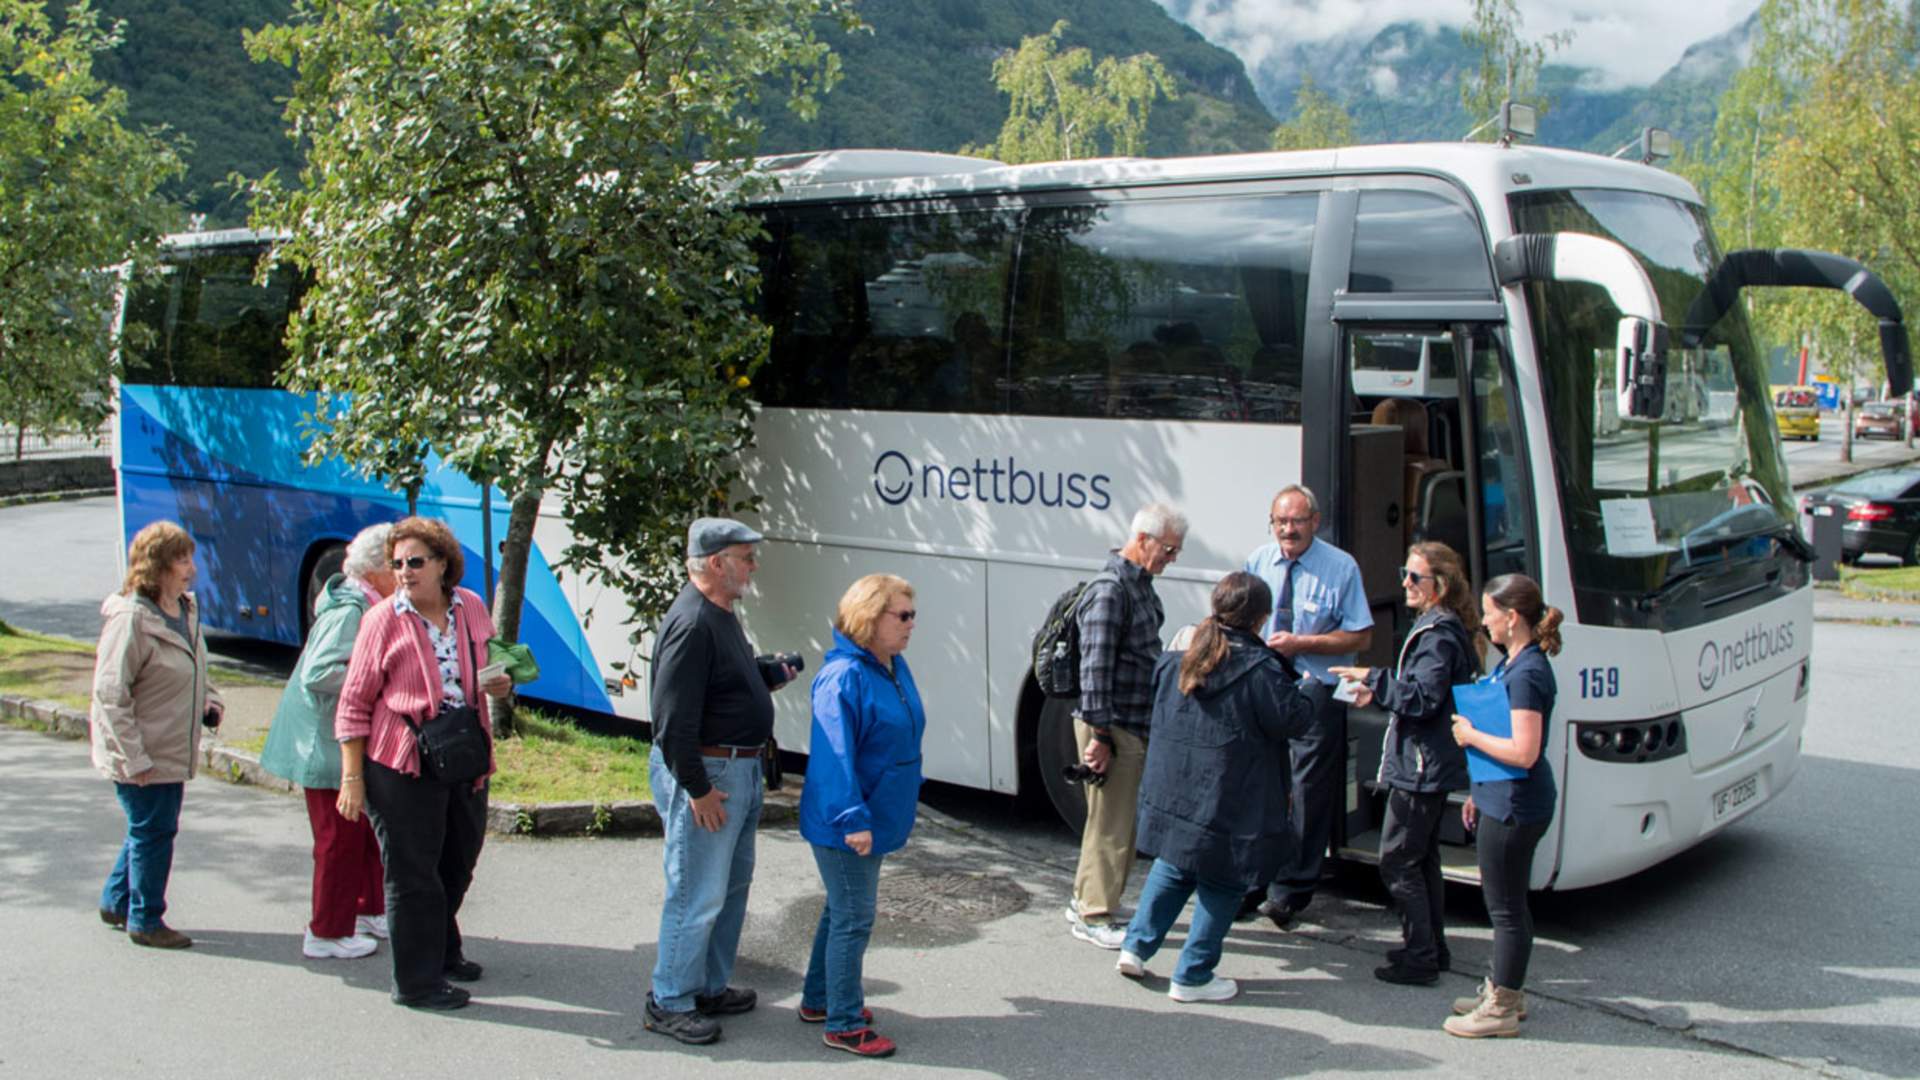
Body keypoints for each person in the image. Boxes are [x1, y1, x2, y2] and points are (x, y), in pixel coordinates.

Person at [1115, 572, 1322, 1003]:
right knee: (1225, 878)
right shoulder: (1263, 670)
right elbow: (1294, 720)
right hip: (1229, 794)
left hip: (1177, 787)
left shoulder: (1182, 651)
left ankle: (1136, 947)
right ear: (1261, 619)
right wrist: (1309, 689)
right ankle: (1192, 975)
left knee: (1175, 865)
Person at [335, 517, 511, 1011]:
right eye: (397, 564)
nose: (405, 572)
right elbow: (352, 704)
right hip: (400, 763)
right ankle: (416, 983)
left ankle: (443, 949)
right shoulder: (382, 620)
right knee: (413, 875)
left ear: (442, 564)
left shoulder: (472, 607)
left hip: (464, 753)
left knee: (459, 860)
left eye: (415, 562)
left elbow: (495, 663)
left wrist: (501, 682)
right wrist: (352, 777)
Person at [644, 517, 797, 1045]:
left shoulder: (720, 613)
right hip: (710, 775)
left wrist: (763, 675)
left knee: (729, 889)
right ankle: (669, 1000)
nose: (753, 566)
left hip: (737, 767)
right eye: (746, 557)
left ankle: (705, 985)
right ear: (715, 563)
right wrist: (698, 789)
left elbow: (715, 686)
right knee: (696, 893)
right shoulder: (693, 622)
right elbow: (671, 722)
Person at [1331, 540, 1476, 986]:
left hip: (1420, 765)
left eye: (1416, 577)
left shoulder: (1437, 636)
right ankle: (1432, 947)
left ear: (1441, 586)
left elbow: (1423, 698)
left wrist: (1372, 679)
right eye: (1405, 574)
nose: (1406, 584)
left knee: (1398, 860)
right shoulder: (1440, 628)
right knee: (1422, 856)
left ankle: (1421, 956)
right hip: (1426, 761)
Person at [798, 574, 926, 1058]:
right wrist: (854, 820)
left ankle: (819, 999)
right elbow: (834, 759)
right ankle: (844, 1023)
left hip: (877, 810)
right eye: (903, 615)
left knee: (840, 909)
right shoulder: (843, 677)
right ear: (870, 619)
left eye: (912, 614)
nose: (912, 624)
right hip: (847, 821)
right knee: (854, 918)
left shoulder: (892, 664)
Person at [260, 523, 395, 960]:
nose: (404, 573)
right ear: (375, 571)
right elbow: (320, 673)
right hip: (324, 746)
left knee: (363, 835)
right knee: (338, 839)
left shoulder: (364, 603)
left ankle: (368, 910)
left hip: (341, 742)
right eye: (396, 564)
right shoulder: (350, 610)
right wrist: (375, 680)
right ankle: (327, 931)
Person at [1243, 484, 1373, 927]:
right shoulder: (1259, 561)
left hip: (1317, 684)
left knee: (1308, 787)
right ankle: (1252, 878)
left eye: (1297, 521)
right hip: (1266, 682)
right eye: (1280, 521)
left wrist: (1303, 642)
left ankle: (1291, 889)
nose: (1288, 530)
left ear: (1315, 522)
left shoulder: (1340, 567)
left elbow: (1360, 636)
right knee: (1260, 780)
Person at [91, 520, 224, 949]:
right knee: (154, 831)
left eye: (190, 557)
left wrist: (211, 699)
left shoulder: (184, 609)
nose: (190, 568)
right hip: (144, 752)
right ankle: (146, 919)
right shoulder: (131, 619)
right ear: (156, 566)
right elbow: (110, 695)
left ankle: (117, 900)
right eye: (180, 560)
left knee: (147, 828)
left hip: (170, 745)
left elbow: (196, 661)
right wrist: (134, 758)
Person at [1444, 573, 1563, 1038]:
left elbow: (1524, 751)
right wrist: (1478, 789)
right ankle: (1503, 988)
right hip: (1501, 796)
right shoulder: (1515, 661)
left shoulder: (1529, 672)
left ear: (1512, 618)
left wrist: (1470, 736)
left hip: (1516, 805)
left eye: (1490, 614)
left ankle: (1503, 1007)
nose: (1485, 623)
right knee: (1508, 905)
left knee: (1507, 909)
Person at [1064, 502, 1187, 950]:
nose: (1172, 559)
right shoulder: (1111, 590)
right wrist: (1099, 737)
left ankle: (1088, 899)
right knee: (1112, 825)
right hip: (1113, 726)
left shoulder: (1138, 586)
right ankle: (1094, 914)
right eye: (1169, 550)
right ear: (1142, 540)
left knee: (1113, 820)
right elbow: (1094, 670)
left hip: (1127, 723)